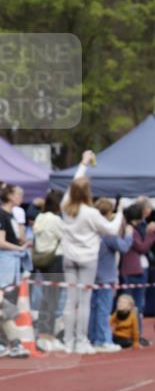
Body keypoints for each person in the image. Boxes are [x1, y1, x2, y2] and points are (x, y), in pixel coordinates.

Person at [60, 151, 122, 354]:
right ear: (88, 193)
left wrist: (83, 163)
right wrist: (120, 213)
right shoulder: (91, 213)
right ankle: (81, 340)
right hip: (87, 259)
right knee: (84, 301)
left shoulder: (65, 206)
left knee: (71, 300)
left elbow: (75, 183)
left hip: (69, 257)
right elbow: (112, 230)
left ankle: (68, 341)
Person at [87, 198, 132, 352]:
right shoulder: (108, 233)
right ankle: (102, 339)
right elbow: (124, 247)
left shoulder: (92, 230)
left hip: (92, 275)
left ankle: (93, 338)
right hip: (105, 276)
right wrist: (129, 235)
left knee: (93, 308)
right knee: (103, 309)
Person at [31, 189, 65, 349]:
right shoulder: (56, 220)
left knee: (47, 298)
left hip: (42, 260)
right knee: (53, 300)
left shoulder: (40, 217)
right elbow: (66, 236)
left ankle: (44, 335)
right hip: (55, 260)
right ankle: (48, 336)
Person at [119, 200, 155, 345]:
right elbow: (142, 247)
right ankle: (132, 335)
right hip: (134, 270)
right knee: (134, 304)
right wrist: (151, 235)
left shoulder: (133, 229)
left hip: (137, 269)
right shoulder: (131, 230)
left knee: (137, 304)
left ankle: (135, 334)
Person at [0, 182, 27, 291]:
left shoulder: (11, 214)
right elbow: (0, 242)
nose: (21, 198)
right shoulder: (0, 214)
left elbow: (18, 237)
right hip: (5, 260)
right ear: (10, 196)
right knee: (4, 291)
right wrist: (19, 248)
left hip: (12, 260)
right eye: (19, 195)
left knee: (11, 292)